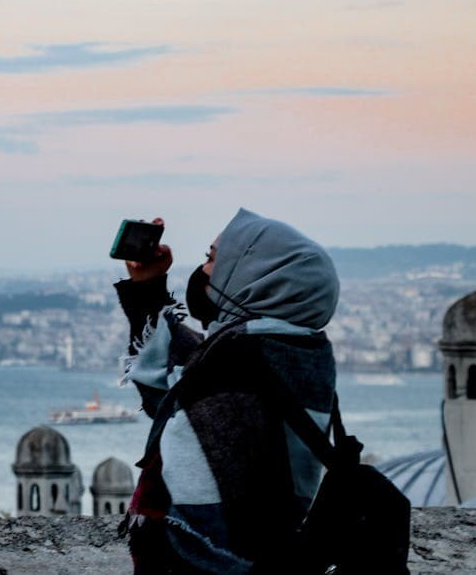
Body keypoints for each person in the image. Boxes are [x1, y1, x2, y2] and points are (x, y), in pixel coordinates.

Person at [113, 209, 340, 573]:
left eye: (212, 258)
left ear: (255, 277)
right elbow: (183, 380)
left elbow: (204, 523)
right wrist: (148, 287)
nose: (202, 270)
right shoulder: (295, 351)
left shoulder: (239, 364)